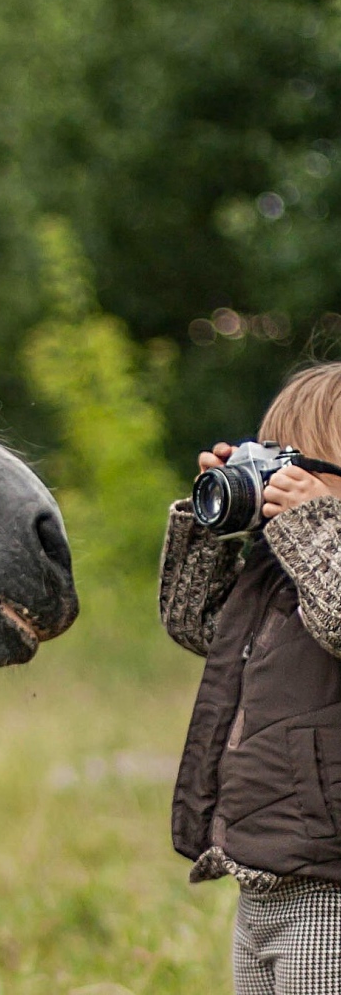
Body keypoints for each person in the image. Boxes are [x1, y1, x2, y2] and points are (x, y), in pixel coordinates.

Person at [159, 362, 341, 995]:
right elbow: (197, 627)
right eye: (273, 461)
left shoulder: (322, 559)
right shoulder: (275, 572)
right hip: (260, 865)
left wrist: (317, 529)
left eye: (300, 465)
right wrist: (214, 531)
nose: (280, 484)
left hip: (331, 888)